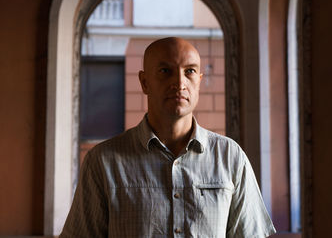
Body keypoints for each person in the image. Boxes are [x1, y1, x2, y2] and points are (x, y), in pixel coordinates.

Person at [60, 37, 276, 237]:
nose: (180, 83)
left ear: (199, 80)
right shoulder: (103, 161)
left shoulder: (230, 157)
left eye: (190, 71)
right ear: (144, 82)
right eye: (165, 71)